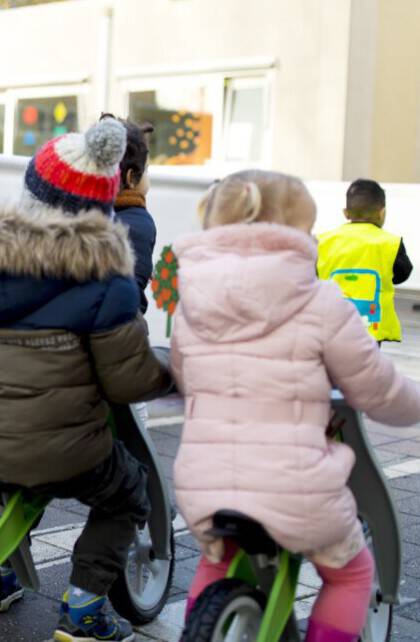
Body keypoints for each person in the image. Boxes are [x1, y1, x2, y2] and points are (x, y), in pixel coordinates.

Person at [0, 118, 173, 642]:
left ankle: (5, 573)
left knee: (20, 482)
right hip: (60, 447)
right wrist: (170, 375)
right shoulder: (106, 280)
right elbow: (125, 380)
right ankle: (84, 608)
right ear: (102, 207)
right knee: (126, 493)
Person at [170, 170, 420, 642]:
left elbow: (186, 378)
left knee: (217, 558)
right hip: (295, 487)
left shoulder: (191, 302)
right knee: (349, 573)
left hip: (203, 482)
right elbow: (378, 391)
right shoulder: (319, 300)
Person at [317, 178, 412, 343]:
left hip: (331, 325)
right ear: (382, 212)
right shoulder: (390, 243)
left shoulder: (323, 241)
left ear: (346, 213)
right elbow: (402, 274)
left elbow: (310, 275)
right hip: (371, 329)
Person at [109, 116, 156, 316]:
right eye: (146, 170)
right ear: (130, 178)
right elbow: (131, 297)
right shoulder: (139, 223)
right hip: (120, 334)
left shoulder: (83, 210)